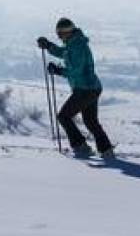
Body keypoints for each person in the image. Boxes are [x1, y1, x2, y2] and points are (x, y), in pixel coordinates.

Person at [37, 17, 114, 159]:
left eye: (60, 34)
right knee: (91, 121)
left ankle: (81, 147)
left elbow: (75, 71)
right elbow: (63, 53)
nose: (59, 37)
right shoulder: (73, 43)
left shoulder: (78, 46)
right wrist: (48, 45)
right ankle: (106, 150)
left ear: (67, 32)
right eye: (58, 34)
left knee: (64, 116)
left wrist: (58, 70)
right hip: (91, 88)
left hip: (85, 89)